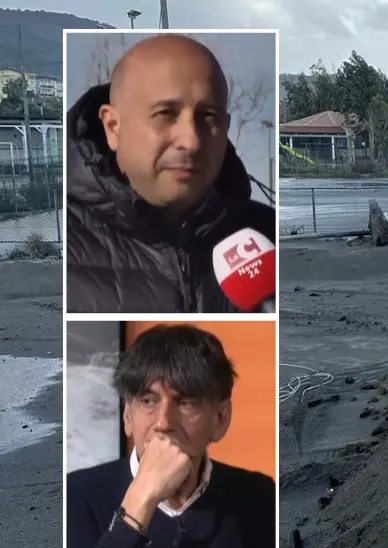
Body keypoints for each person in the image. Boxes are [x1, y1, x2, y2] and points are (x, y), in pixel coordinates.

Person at [65, 34, 275, 313]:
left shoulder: (267, 233)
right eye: (165, 113)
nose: (191, 141)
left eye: (208, 116)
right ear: (113, 127)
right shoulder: (66, 248)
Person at [65, 324, 275, 548]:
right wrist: (141, 499)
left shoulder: (259, 496)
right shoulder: (77, 495)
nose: (163, 423)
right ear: (128, 416)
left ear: (221, 418)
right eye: (148, 401)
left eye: (185, 403)